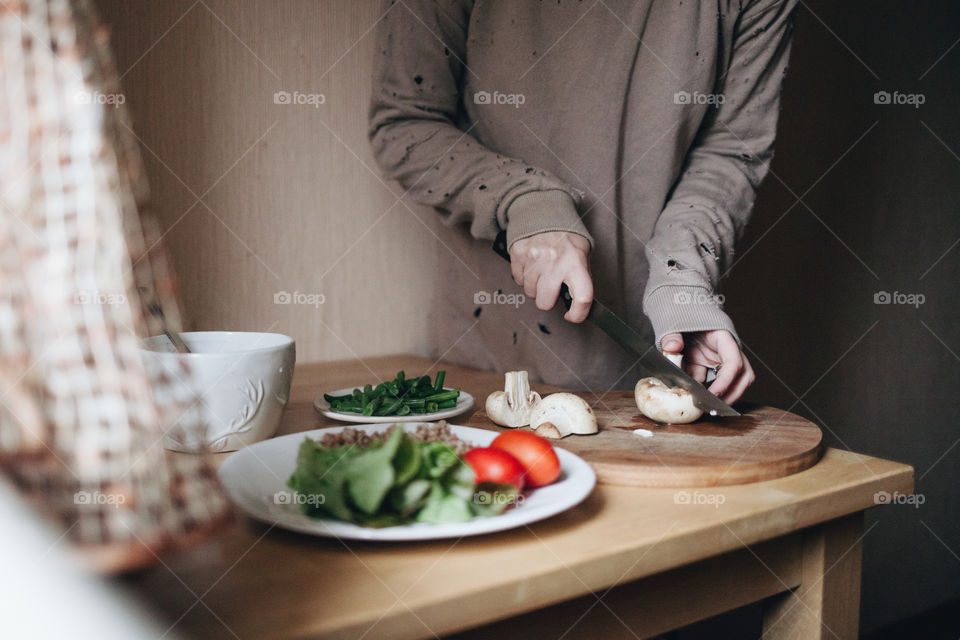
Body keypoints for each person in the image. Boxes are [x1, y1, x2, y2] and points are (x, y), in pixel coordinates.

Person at [369, 0, 797, 401]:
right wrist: (527, 200)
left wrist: (683, 279)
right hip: (486, 365)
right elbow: (405, 123)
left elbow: (730, 152)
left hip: (658, 361)